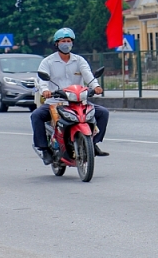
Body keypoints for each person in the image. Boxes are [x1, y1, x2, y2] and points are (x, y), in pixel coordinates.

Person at [31, 28, 110, 165]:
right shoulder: (48, 62)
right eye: (63, 41)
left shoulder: (79, 60)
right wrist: (45, 90)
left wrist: (96, 87)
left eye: (69, 41)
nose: (66, 44)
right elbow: (43, 80)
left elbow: (88, 75)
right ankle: (44, 149)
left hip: (78, 101)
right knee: (36, 116)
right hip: (55, 101)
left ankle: (93, 143)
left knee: (103, 113)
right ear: (57, 44)